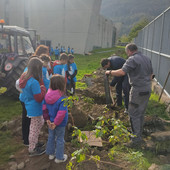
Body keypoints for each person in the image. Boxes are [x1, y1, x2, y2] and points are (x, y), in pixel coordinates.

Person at [105, 43, 153, 146]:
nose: (127, 55)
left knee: (133, 113)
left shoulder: (132, 59)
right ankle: (138, 134)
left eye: (127, 53)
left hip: (138, 90)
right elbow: (151, 76)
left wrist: (109, 72)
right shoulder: (147, 58)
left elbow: (122, 72)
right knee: (140, 113)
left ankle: (136, 140)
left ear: (129, 51)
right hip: (147, 89)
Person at [19, 58, 46, 156]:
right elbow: (38, 98)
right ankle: (32, 149)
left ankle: (34, 142)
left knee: (39, 123)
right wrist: (43, 89)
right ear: (37, 69)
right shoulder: (34, 82)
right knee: (34, 128)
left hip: (29, 104)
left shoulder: (24, 76)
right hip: (35, 107)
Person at [43, 75, 68, 163]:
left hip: (50, 121)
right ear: (62, 85)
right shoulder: (63, 98)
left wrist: (47, 120)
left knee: (51, 137)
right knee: (60, 139)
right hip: (59, 123)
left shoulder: (47, 95)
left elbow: (44, 108)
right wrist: (56, 123)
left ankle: (51, 154)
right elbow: (61, 113)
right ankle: (59, 157)